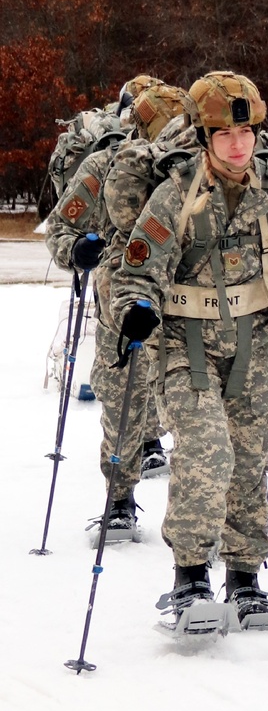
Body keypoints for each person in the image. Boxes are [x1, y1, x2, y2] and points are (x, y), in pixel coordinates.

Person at [111, 71, 268, 635]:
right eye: (225, 134)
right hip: (187, 345)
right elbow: (139, 270)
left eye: (247, 132)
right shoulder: (175, 192)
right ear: (205, 137)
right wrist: (138, 306)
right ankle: (189, 577)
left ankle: (244, 574)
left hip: (255, 346)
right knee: (209, 450)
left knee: (251, 457)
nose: (238, 144)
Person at [44, 80, 182, 540]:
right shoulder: (104, 165)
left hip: (187, 306)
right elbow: (60, 226)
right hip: (121, 299)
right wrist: (77, 250)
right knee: (124, 399)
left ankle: (228, 502)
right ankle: (120, 497)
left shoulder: (195, 169)